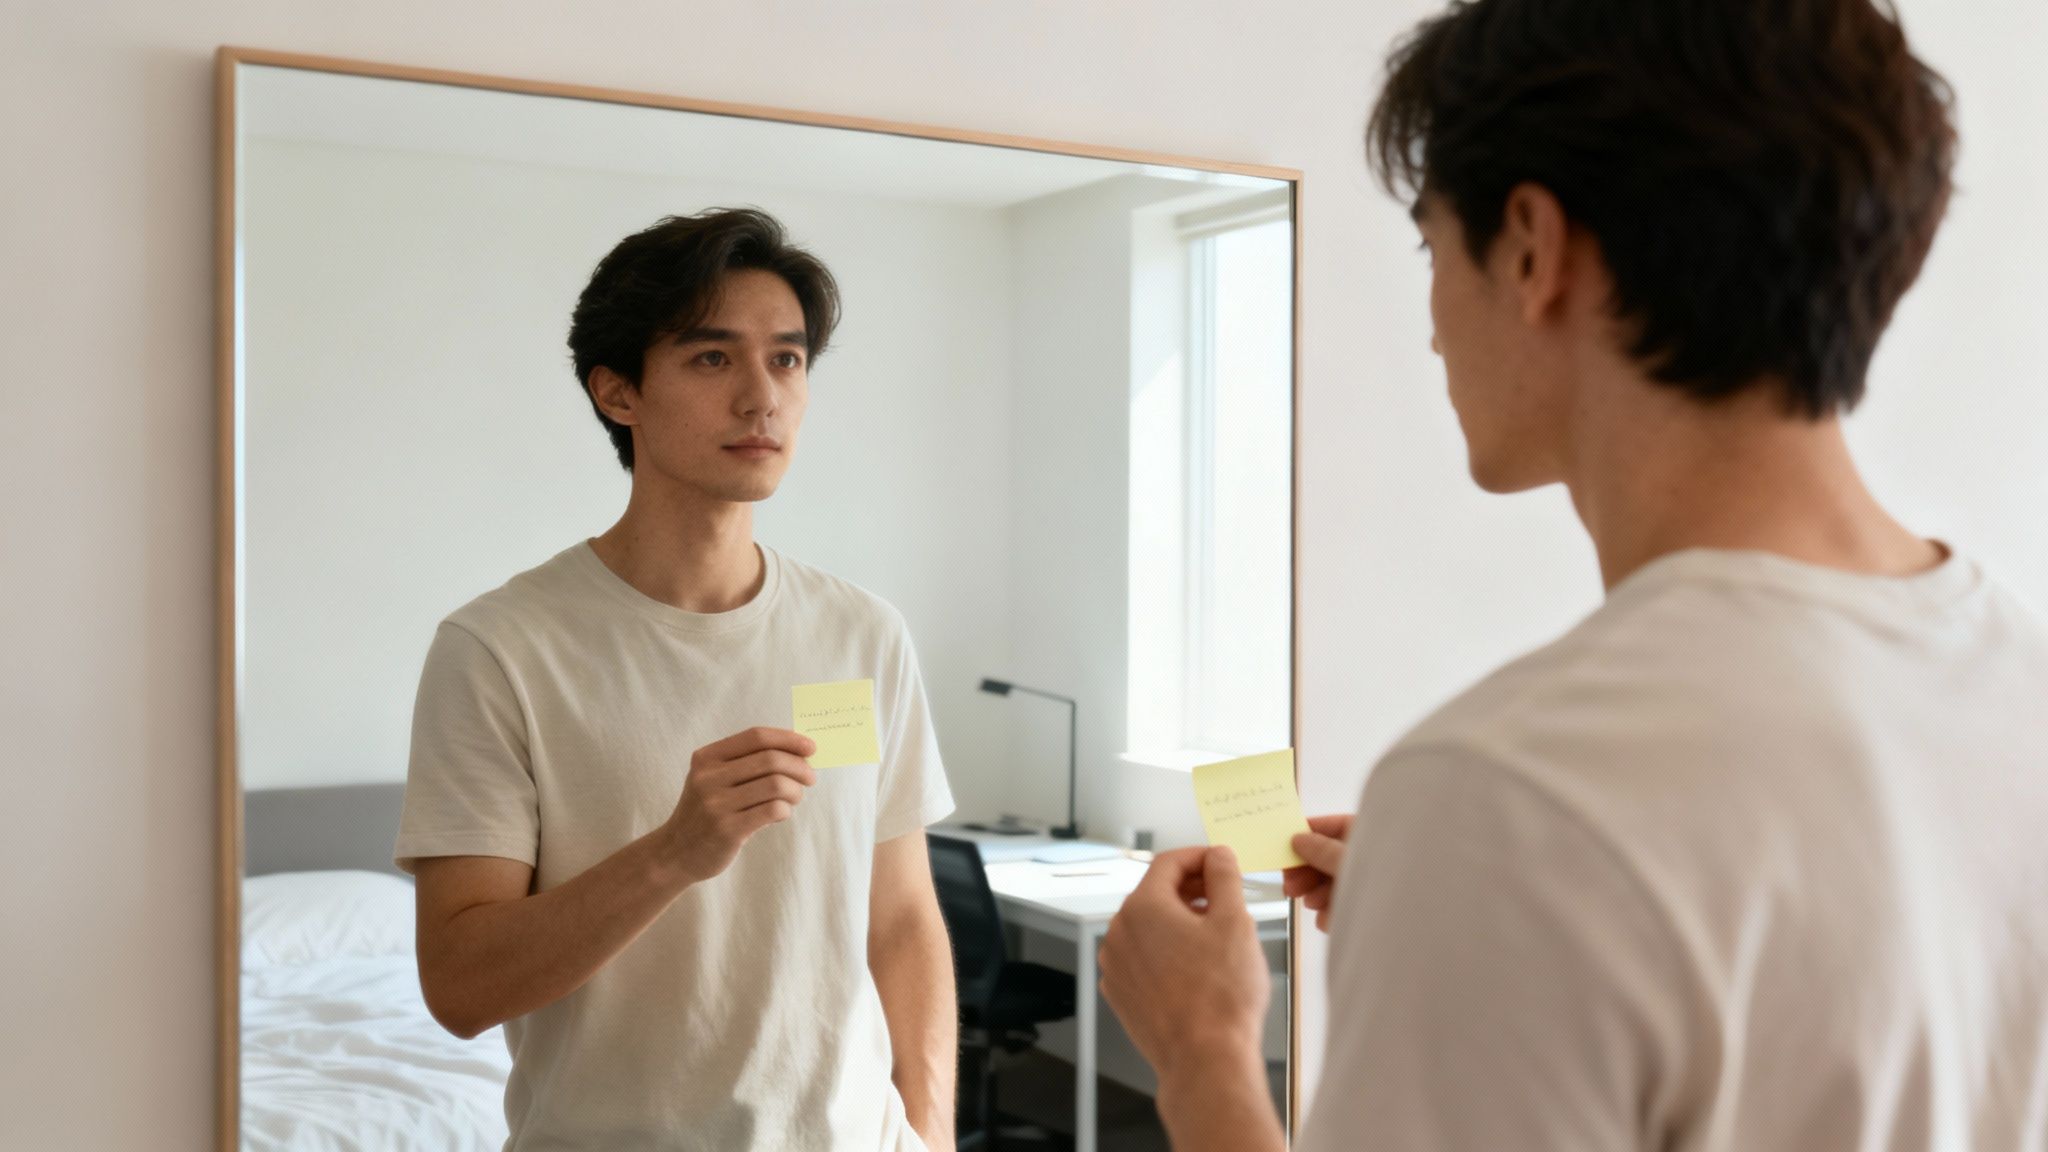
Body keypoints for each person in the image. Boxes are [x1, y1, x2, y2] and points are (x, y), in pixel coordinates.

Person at [1098, 1, 2048, 1149]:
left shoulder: (1507, 795)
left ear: (1533, 250)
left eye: (1429, 247)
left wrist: (1201, 1049)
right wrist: (1463, 914)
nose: (1434, 329)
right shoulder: (2018, 688)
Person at [395, 208, 958, 1151]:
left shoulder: (864, 633)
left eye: (786, 359)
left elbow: (899, 917)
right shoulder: (500, 649)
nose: (762, 398)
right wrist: (673, 854)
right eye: (712, 359)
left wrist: (931, 1127)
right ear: (619, 394)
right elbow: (459, 987)